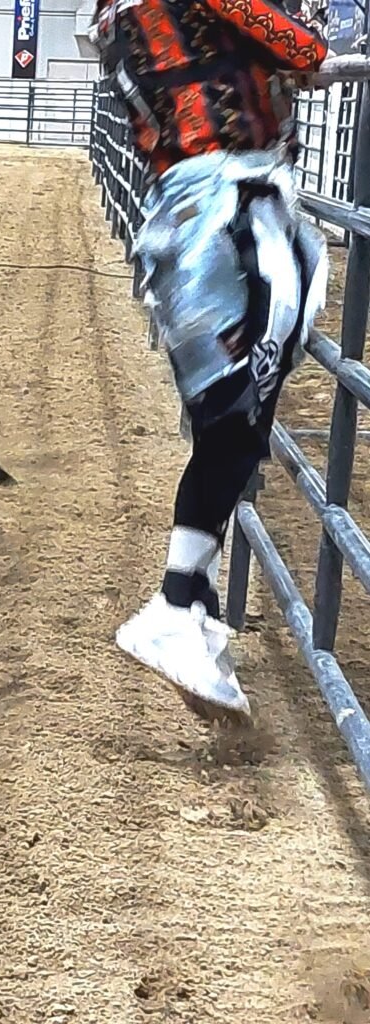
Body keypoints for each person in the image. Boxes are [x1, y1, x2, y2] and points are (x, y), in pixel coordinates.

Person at [92, 0, 329, 721]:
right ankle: (170, 604)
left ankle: (188, 601)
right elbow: (306, 53)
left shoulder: (118, 12)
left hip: (200, 205)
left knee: (234, 420)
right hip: (228, 209)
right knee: (235, 418)